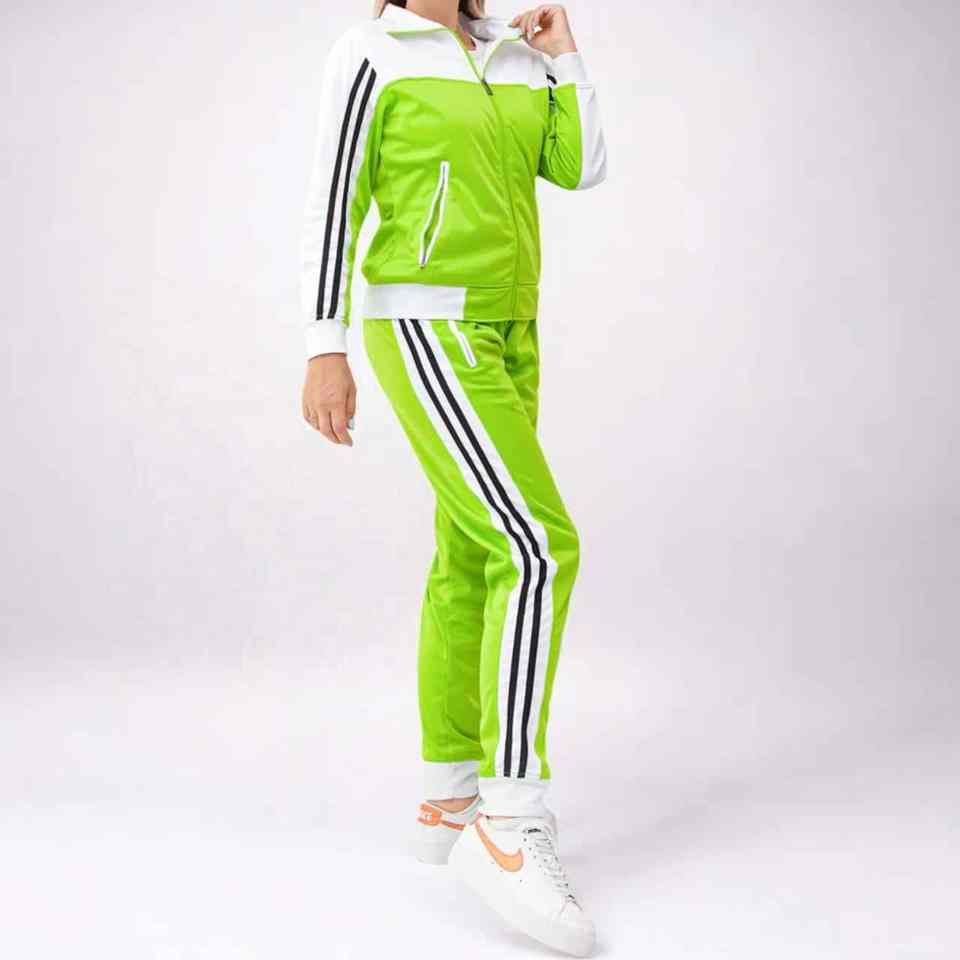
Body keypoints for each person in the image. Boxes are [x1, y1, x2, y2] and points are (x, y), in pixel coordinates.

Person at [300, 1, 606, 954]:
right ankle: (509, 820)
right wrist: (324, 345)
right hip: (426, 321)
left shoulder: (509, 53)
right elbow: (334, 198)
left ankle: (449, 798)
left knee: (474, 551)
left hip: (511, 324)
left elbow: (579, 165)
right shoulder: (371, 51)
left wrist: (564, 59)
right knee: (538, 546)